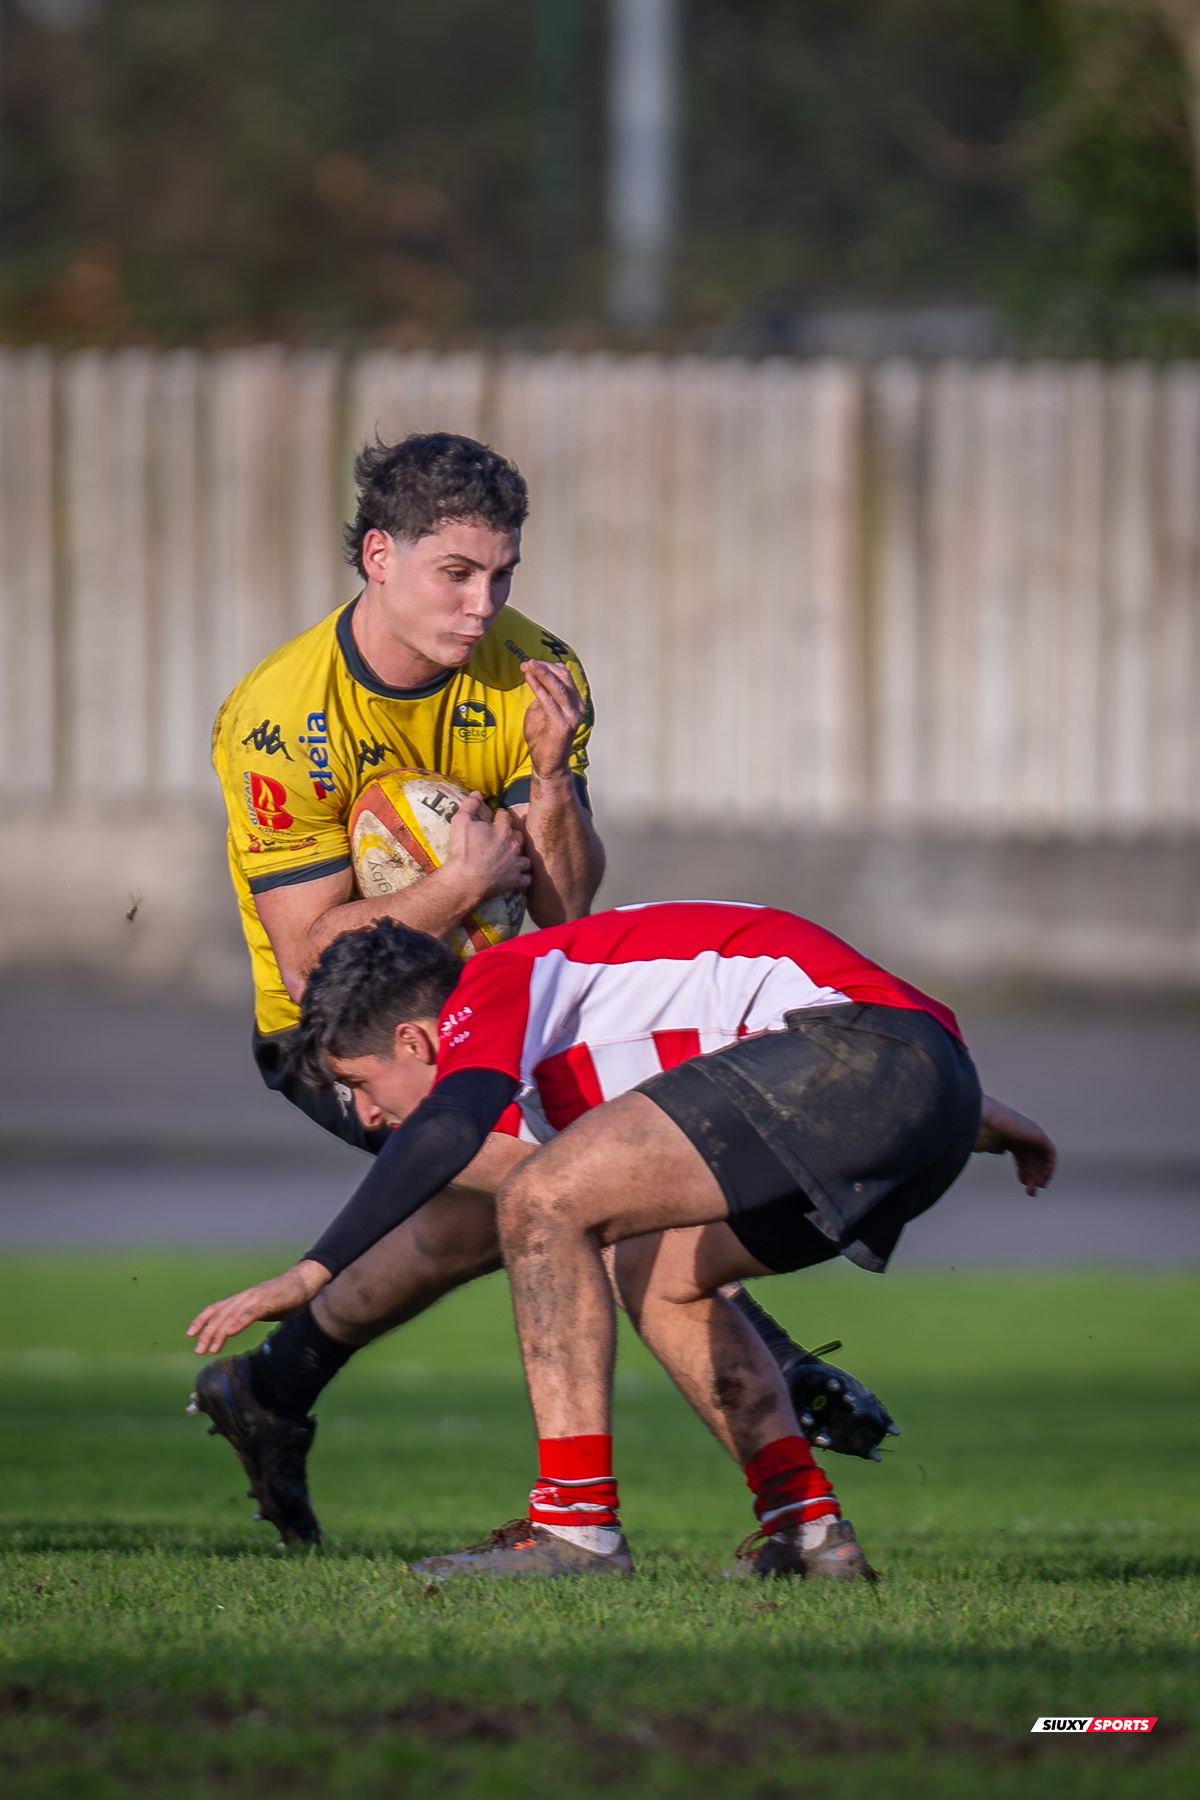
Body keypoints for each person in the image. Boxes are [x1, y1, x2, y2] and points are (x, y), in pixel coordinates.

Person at [188, 904, 1054, 1580]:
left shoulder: (497, 978)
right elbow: (878, 1051)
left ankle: (575, 1527)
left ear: (416, 1039)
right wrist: (989, 1120)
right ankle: (810, 1534)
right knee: (653, 1269)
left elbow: (448, 1131)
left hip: (863, 1057)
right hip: (923, 1092)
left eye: (357, 1084)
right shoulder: (565, 1069)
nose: (367, 1115)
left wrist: (312, 1270)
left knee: (540, 1199)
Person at [211, 429, 602, 1152]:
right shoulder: (279, 719)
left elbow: (565, 907)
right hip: (341, 1028)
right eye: (456, 573)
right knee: (565, 1189)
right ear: (380, 556)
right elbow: (309, 970)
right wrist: (463, 883)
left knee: (480, 1227)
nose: (483, 605)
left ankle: (331, 1274)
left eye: (502, 574)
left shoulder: (534, 671)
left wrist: (550, 782)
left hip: (479, 1004)